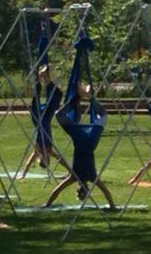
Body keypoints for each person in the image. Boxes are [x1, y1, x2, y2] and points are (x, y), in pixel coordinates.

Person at [46, 78, 115, 209]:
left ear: (87, 188)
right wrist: (112, 206)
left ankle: (86, 97)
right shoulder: (76, 176)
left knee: (103, 115)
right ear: (78, 187)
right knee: (60, 116)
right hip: (81, 139)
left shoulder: (89, 176)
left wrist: (112, 205)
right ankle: (79, 98)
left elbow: (106, 192)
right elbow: (56, 192)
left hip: (90, 141)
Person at [19, 64, 69, 178]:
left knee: (36, 97)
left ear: (41, 158)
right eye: (48, 160)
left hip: (38, 119)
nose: (48, 157)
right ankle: (45, 77)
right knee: (58, 94)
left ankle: (39, 77)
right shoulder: (49, 149)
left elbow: (29, 162)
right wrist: (70, 171)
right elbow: (60, 159)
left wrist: (23, 174)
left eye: (46, 159)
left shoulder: (38, 150)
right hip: (47, 117)